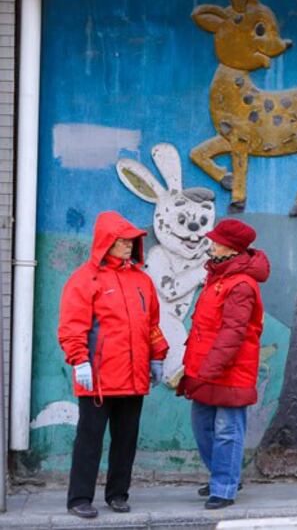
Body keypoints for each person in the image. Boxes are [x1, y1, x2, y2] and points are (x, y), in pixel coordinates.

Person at [58, 211, 168, 518]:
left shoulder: (142, 281)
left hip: (133, 377)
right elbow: (72, 326)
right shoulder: (84, 279)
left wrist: (157, 355)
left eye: (132, 242)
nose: (129, 247)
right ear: (106, 243)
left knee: (126, 441)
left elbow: (152, 324)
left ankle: (118, 494)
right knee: (89, 440)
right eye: (122, 242)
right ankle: (79, 498)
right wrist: (79, 361)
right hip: (98, 378)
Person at [178, 218, 270, 509]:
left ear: (229, 248)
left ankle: (225, 487)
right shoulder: (218, 277)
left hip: (229, 370)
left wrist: (208, 370)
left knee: (228, 429)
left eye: (216, 241)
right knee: (202, 425)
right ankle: (225, 474)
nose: (211, 244)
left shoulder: (240, 285)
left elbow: (233, 333)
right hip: (208, 367)